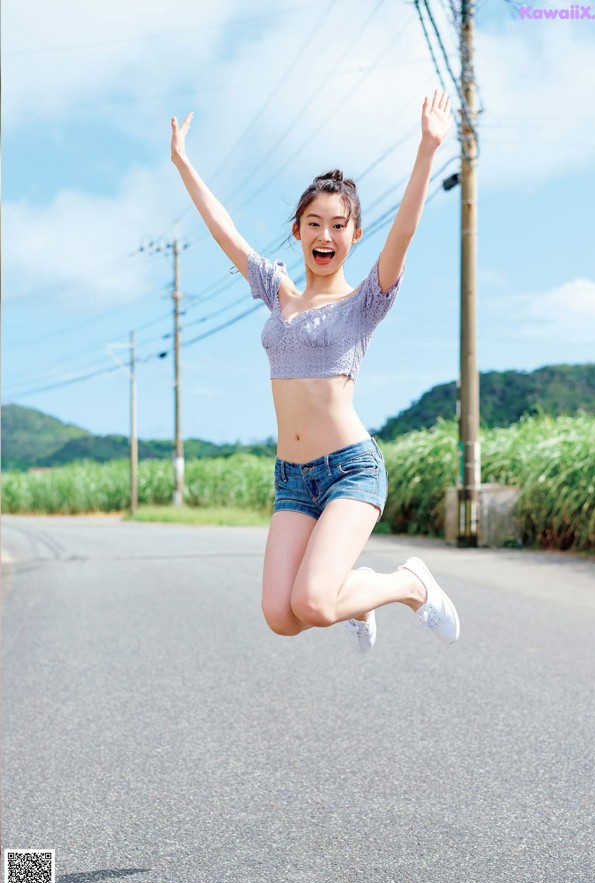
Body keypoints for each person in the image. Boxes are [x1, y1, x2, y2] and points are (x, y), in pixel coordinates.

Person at [170, 89, 460, 653]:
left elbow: (403, 232)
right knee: (281, 616)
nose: (325, 236)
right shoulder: (277, 293)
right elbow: (224, 230)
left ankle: (407, 584)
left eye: (338, 225)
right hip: (293, 478)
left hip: (350, 470)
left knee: (316, 603)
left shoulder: (364, 302)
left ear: (354, 235)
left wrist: (428, 148)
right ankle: (361, 592)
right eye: (313, 224)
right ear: (298, 231)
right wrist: (184, 163)